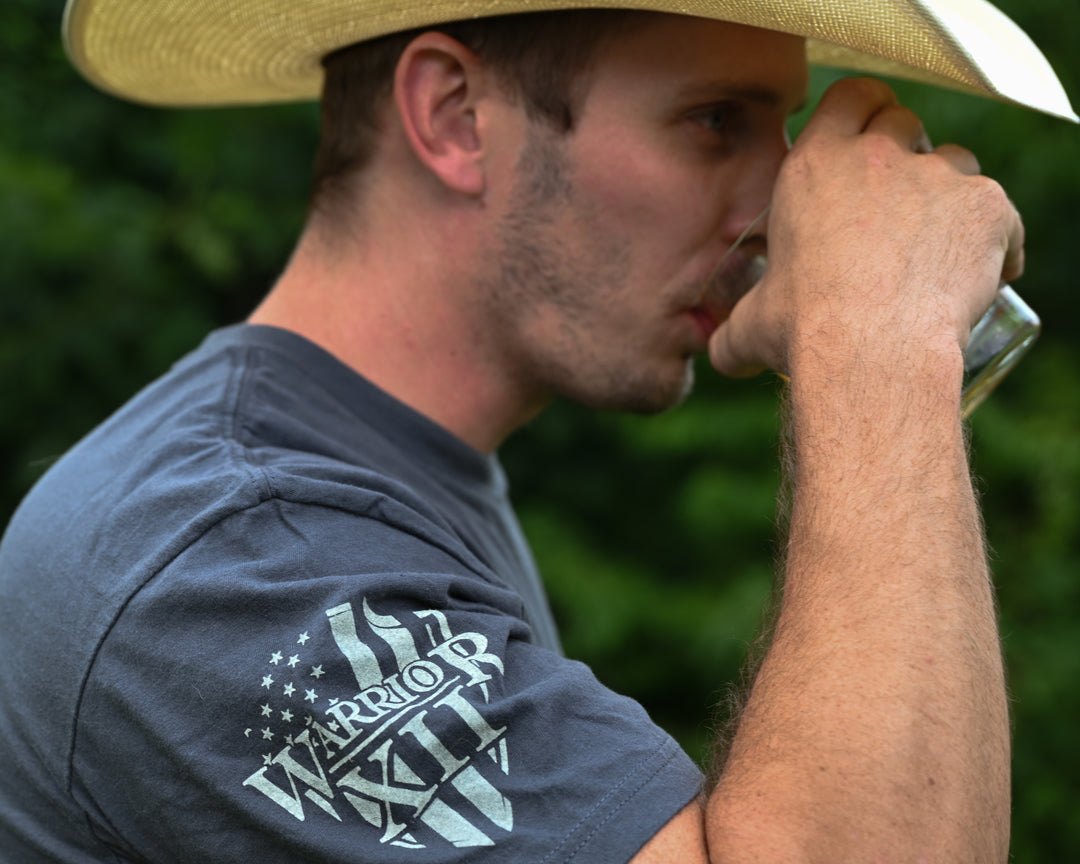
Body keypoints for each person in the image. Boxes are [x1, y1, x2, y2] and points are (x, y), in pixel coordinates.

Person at [0, 1, 1074, 862]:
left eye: (780, 132)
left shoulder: (366, 480)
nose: (773, 205)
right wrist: (878, 331)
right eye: (715, 122)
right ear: (455, 114)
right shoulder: (235, 555)